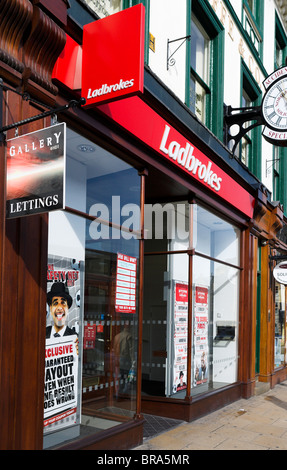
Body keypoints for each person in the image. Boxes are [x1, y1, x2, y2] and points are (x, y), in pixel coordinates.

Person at [46, 282, 78, 353]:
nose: (60, 308)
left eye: (63, 303)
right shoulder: (43, 334)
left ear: (67, 307)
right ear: (50, 308)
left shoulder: (74, 338)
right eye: (55, 303)